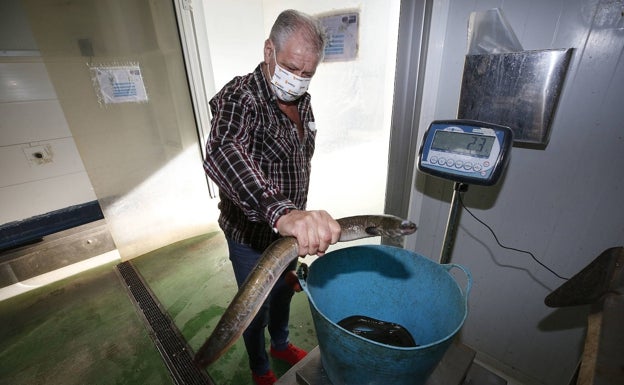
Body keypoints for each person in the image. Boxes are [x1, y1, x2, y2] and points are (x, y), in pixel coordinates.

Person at [203, 9, 341, 385]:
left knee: (283, 294)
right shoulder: (240, 96)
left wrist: (294, 220)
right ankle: (260, 368)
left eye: (307, 73)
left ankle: (280, 344)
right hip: (250, 236)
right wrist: (282, 212)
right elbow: (222, 150)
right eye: (291, 68)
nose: (297, 81)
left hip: (286, 237)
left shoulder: (303, 101)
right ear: (269, 51)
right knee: (253, 308)